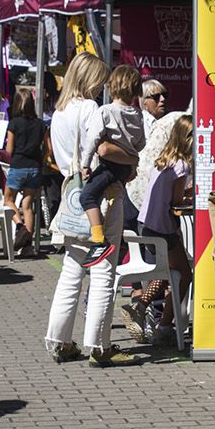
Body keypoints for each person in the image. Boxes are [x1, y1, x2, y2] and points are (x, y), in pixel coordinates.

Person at [44, 53, 137, 366]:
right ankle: (99, 345)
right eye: (99, 80)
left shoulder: (59, 112)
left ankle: (58, 340)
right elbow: (103, 149)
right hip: (103, 195)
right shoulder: (91, 109)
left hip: (73, 195)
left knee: (72, 269)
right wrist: (132, 158)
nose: (102, 87)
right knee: (103, 271)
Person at [126, 114, 194, 346]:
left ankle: (143, 307)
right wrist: (189, 195)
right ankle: (164, 325)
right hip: (163, 228)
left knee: (167, 273)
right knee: (185, 275)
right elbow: (176, 201)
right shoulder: (182, 166)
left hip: (145, 224)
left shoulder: (163, 160)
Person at [79, 63, 146, 266]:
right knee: (110, 192)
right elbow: (141, 143)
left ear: (112, 86)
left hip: (109, 165)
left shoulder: (105, 111)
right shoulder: (137, 114)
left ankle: (98, 239)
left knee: (87, 196)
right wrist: (131, 154)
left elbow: (92, 139)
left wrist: (85, 163)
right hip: (125, 168)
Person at [4, 85, 46, 256]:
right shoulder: (40, 124)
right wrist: (40, 159)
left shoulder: (14, 123)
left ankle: (20, 227)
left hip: (18, 165)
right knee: (27, 206)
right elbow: (47, 148)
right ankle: (27, 247)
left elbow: (9, 149)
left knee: (7, 200)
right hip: (35, 167)